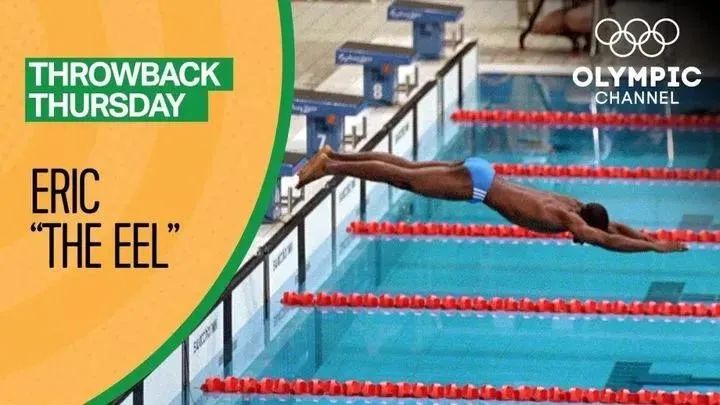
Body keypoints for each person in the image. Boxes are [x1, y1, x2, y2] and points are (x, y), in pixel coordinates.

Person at [296, 146, 688, 253]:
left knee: (408, 171)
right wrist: (652, 249)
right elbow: (607, 238)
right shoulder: (572, 221)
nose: (581, 238)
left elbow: (613, 227)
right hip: (478, 186)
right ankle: (329, 166)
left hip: (484, 172)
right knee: (405, 178)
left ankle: (334, 156)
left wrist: (648, 238)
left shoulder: (574, 204)